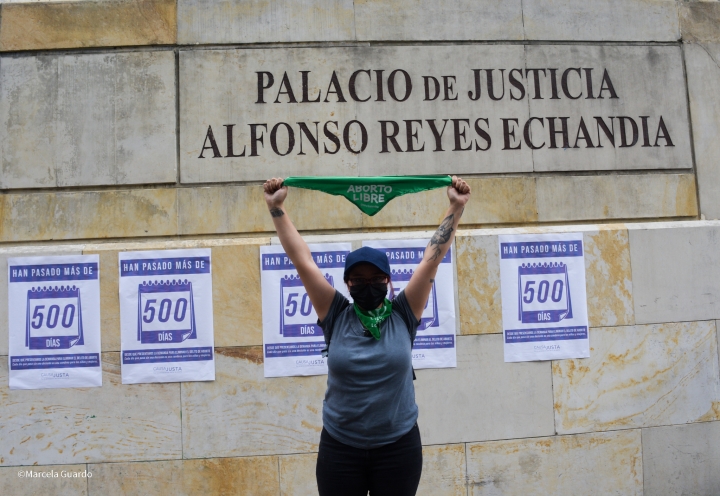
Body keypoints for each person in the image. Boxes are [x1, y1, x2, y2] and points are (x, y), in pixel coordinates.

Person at [263, 176, 471, 496]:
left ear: (388, 281)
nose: (367, 284)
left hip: (397, 448)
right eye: (358, 279)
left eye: (375, 278)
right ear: (347, 284)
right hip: (340, 449)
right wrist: (276, 208)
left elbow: (433, 258)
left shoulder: (403, 312)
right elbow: (302, 261)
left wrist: (456, 207)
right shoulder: (336, 314)